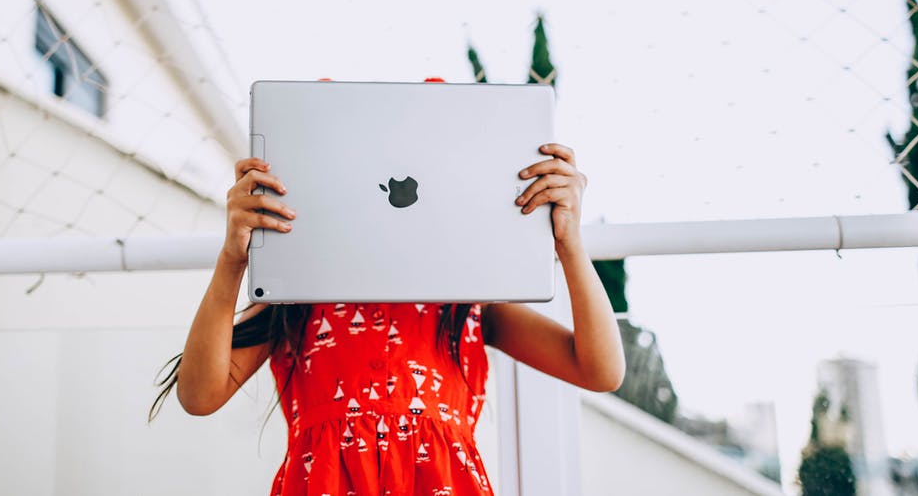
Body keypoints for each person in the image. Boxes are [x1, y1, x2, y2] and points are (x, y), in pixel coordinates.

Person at [152, 142, 625, 495]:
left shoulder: (465, 304)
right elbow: (199, 394)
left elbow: (600, 369)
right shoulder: (294, 298)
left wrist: (569, 242)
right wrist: (234, 258)